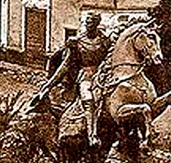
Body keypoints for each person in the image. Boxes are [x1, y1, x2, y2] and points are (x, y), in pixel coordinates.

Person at [31, 11, 111, 146]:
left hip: (103, 75)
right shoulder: (77, 43)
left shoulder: (104, 41)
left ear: (97, 24)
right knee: (89, 99)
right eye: (86, 22)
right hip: (86, 76)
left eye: (90, 22)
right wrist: (48, 86)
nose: (87, 25)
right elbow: (65, 66)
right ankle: (92, 135)